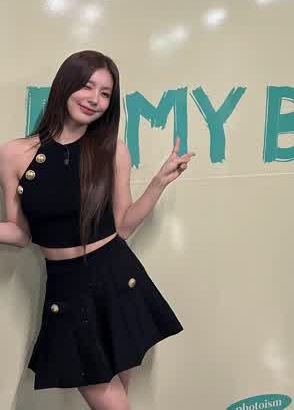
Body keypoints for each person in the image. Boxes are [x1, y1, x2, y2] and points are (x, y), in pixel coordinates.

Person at [0, 50, 195, 409]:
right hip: (67, 287)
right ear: (65, 86)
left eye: (105, 93)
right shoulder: (14, 154)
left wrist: (158, 183)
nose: (95, 99)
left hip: (118, 279)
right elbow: (20, 233)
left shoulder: (113, 151)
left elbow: (123, 226)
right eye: (88, 87)